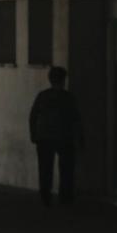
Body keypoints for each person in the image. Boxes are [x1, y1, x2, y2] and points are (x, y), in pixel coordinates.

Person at [28, 66, 81, 206]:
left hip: (44, 137)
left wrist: (33, 134)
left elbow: (33, 116)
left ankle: (46, 196)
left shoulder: (42, 96)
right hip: (64, 137)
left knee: (45, 168)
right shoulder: (68, 97)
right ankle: (65, 197)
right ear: (63, 80)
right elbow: (76, 119)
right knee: (66, 169)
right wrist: (80, 138)